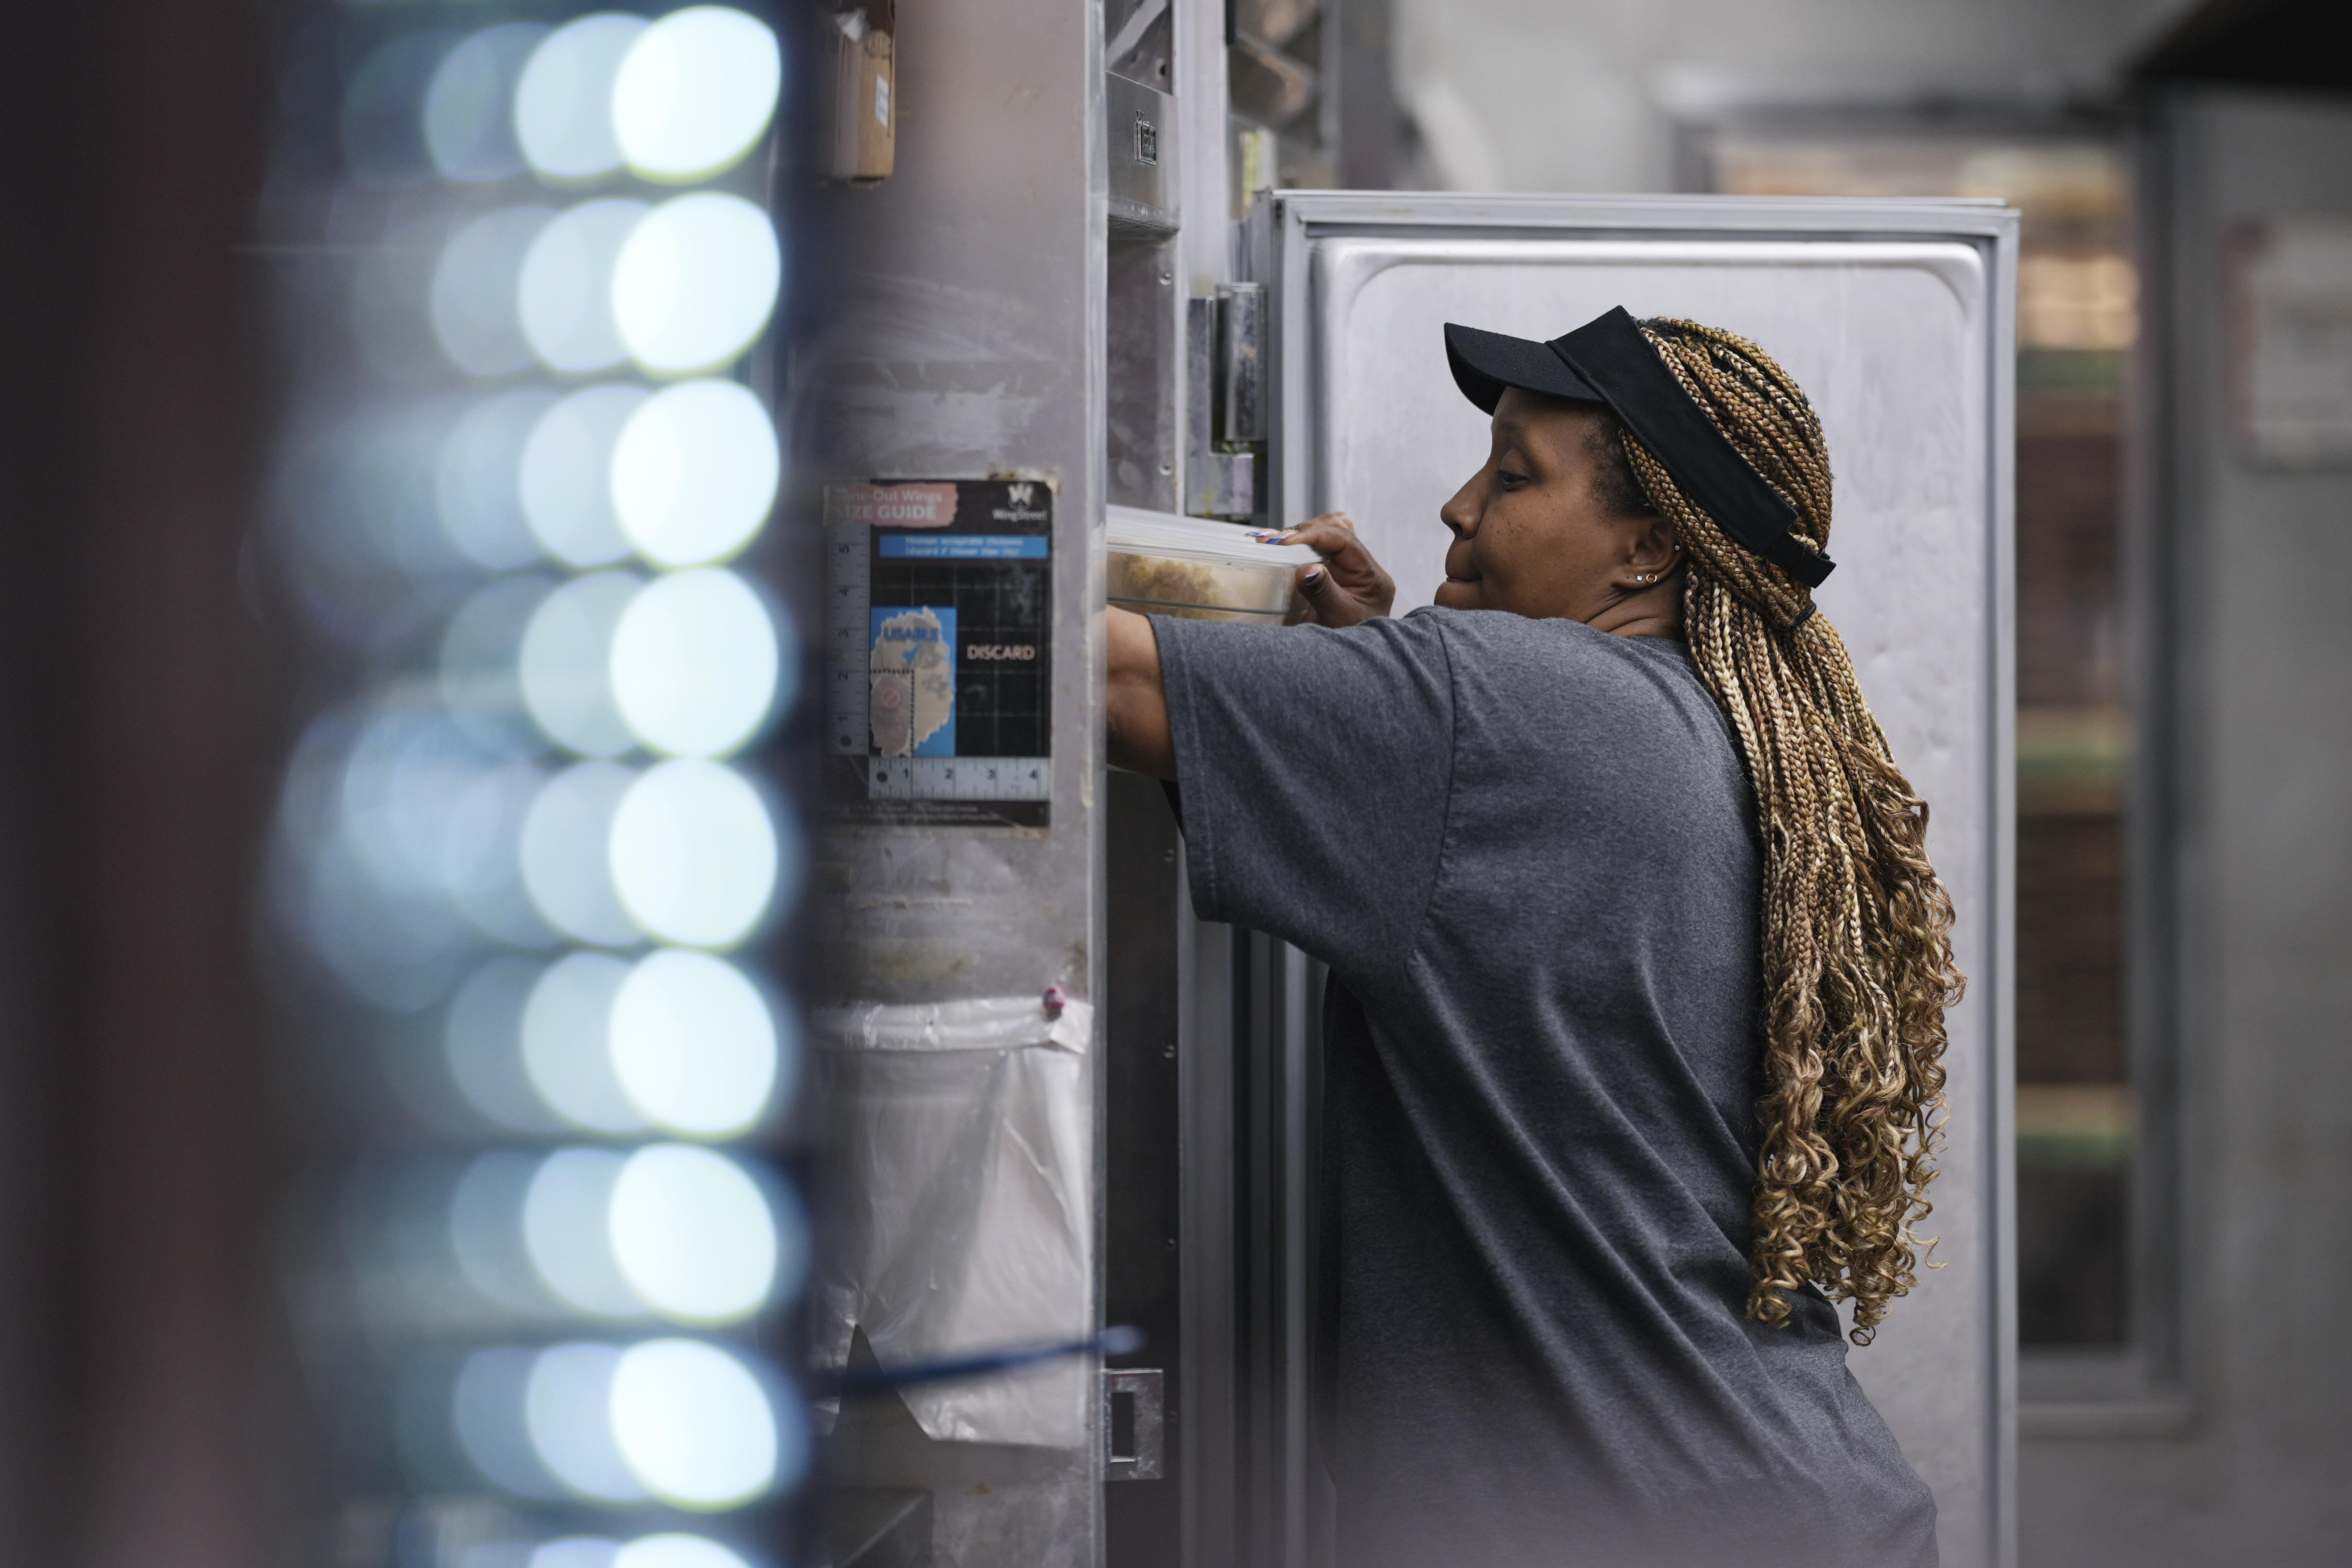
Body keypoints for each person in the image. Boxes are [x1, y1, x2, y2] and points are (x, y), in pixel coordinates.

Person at [1105, 309, 1962, 1567]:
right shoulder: (1692, 728)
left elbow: (1084, 670)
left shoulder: (1506, 710)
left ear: (1647, 550)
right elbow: (1483, 852)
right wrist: (1360, 681)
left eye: (1513, 475)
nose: (1458, 508)